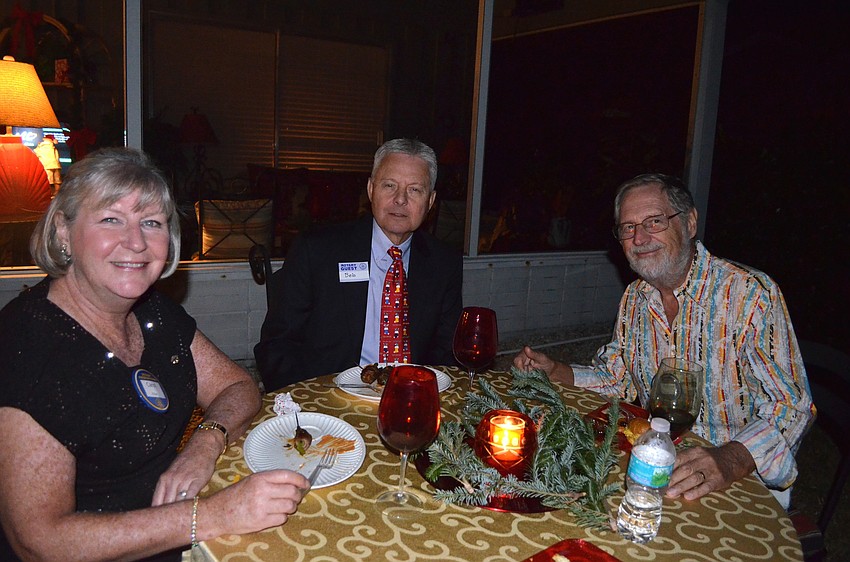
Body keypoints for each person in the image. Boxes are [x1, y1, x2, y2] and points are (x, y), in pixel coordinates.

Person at [0, 148, 308, 562]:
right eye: (111, 219)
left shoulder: (151, 311)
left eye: (151, 222)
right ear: (62, 231)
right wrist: (211, 516)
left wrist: (205, 443)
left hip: (173, 524)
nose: (137, 242)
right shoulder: (27, 347)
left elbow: (238, 385)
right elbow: (39, 542)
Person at [513, 173, 814, 508]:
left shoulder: (749, 295)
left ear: (689, 223)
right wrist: (558, 371)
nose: (640, 237)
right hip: (657, 463)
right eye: (628, 227)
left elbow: (792, 406)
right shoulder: (635, 297)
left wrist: (729, 460)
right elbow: (618, 378)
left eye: (654, 221)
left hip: (740, 477)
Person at [255, 138, 463, 391]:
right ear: (370, 190)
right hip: (331, 397)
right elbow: (276, 347)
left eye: (414, 190)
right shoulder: (318, 250)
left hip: (411, 398)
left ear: (430, 202)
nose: (400, 200)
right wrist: (308, 402)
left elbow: (447, 353)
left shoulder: (444, 262)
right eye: (389, 185)